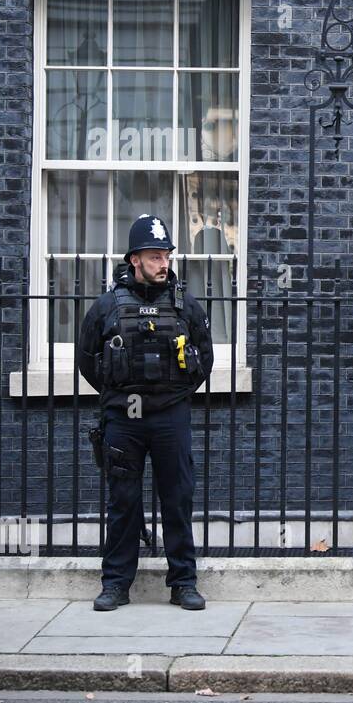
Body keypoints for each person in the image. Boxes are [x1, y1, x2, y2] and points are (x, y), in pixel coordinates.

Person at [77, 215, 214, 611]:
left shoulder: (186, 305)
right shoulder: (105, 307)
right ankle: (116, 584)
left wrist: (171, 398)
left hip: (171, 417)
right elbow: (87, 361)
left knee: (178, 499)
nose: (163, 263)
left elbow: (204, 360)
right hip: (124, 419)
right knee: (123, 501)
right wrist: (120, 398)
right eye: (155, 256)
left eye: (166, 255)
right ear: (135, 259)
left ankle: (183, 582)